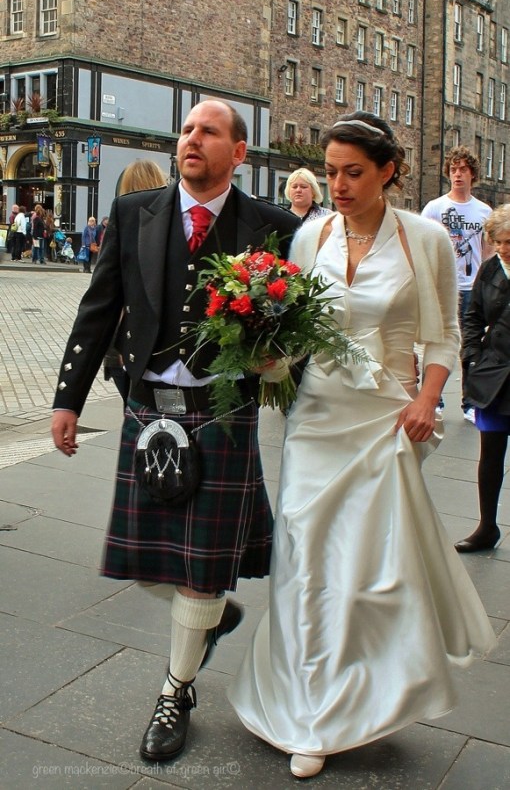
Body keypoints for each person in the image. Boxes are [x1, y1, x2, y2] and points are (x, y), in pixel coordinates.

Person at [228, 112, 495, 780]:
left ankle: (359, 698)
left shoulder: (425, 239)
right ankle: (305, 707)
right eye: (331, 173)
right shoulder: (310, 235)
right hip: (315, 418)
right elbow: (292, 331)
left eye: (353, 172)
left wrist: (429, 399)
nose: (339, 186)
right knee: (304, 557)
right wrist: (266, 359)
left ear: (388, 172)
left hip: (384, 418)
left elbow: (444, 334)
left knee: (368, 567)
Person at [51, 99, 299, 764]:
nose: (191, 139)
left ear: (238, 153)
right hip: (147, 409)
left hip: (221, 413)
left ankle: (175, 689)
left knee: (201, 568)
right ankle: (212, 616)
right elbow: (97, 311)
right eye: (187, 129)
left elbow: (293, 329)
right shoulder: (135, 212)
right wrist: (67, 399)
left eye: (208, 131)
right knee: (146, 563)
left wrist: (280, 362)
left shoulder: (273, 227)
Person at [422, 146, 492, 422]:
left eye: (463, 169)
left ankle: (470, 403)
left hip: (472, 286)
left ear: (472, 174)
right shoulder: (435, 208)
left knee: (471, 345)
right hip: (443, 287)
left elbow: (488, 253)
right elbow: (424, 246)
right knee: (437, 341)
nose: (457, 174)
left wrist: (485, 286)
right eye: (453, 169)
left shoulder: (483, 211)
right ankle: (434, 399)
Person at [455, 204, 510, 553]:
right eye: (498, 241)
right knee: (490, 453)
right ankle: (487, 527)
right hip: (495, 376)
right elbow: (472, 316)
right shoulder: (490, 269)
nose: (503, 248)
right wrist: (472, 356)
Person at [103, 160, 168, 406]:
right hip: (154, 343)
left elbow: (110, 293)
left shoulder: (121, 225)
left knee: (133, 411)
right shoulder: (167, 229)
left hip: (122, 341)